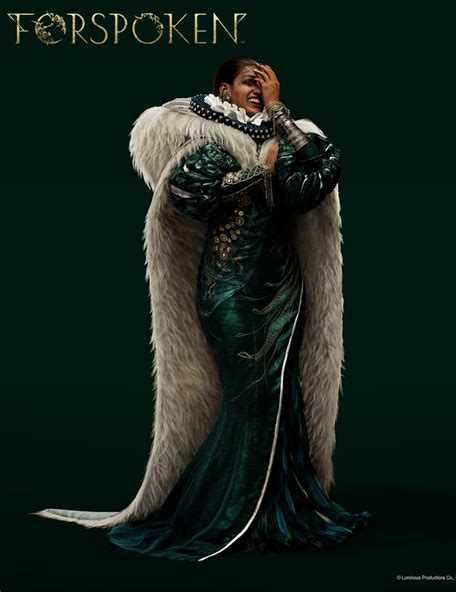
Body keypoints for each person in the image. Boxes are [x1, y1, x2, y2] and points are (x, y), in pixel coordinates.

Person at [32, 57, 374, 561]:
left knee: (284, 396)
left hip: (283, 290)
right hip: (229, 289)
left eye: (267, 82)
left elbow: (317, 177)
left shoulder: (278, 134)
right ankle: (218, 513)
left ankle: (279, 514)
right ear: (225, 89)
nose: (259, 87)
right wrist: (261, 171)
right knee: (251, 397)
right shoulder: (200, 135)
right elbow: (194, 194)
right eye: (250, 81)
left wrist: (279, 115)